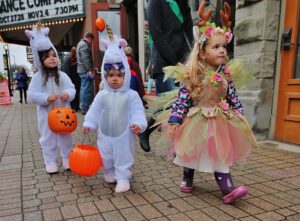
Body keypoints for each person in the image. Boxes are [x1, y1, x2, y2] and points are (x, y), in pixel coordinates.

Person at [157, 2, 257, 204]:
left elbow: (232, 95)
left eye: (224, 46)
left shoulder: (226, 73)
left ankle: (227, 189)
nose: (222, 51)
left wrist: (239, 112)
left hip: (220, 120)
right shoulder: (195, 74)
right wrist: (176, 119)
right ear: (202, 52)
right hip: (197, 119)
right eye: (216, 47)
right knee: (192, 149)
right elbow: (183, 99)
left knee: (219, 154)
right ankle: (187, 176)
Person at [83, 32, 147, 193]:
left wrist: (138, 124)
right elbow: (95, 109)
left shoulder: (131, 95)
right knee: (105, 155)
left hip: (124, 135)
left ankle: (123, 177)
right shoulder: (102, 94)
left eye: (119, 75)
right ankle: (109, 172)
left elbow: (138, 112)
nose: (115, 79)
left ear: (125, 75)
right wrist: (89, 123)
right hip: (104, 134)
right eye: (111, 75)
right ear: (105, 76)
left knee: (123, 156)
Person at [140, 0, 193, 152]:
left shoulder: (183, 3)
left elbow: (188, 32)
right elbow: (156, 34)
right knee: (169, 105)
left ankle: (178, 146)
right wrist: (173, 60)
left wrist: (189, 58)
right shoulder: (155, 3)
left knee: (183, 104)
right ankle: (148, 132)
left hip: (183, 62)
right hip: (164, 62)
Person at [25, 24, 76, 174]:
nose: (52, 59)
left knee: (66, 137)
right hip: (46, 115)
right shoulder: (37, 78)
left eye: (54, 55)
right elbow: (31, 95)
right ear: (39, 59)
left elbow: (71, 88)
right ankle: (50, 161)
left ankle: (67, 159)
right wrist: (46, 98)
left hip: (64, 113)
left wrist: (68, 94)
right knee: (48, 138)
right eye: (47, 57)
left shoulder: (63, 76)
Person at [77, 32, 95, 115]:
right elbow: (86, 59)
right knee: (86, 89)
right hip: (85, 70)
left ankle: (83, 106)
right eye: (92, 40)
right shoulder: (84, 45)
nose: (92, 42)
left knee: (83, 89)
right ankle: (85, 107)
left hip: (82, 70)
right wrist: (89, 70)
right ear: (89, 38)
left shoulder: (80, 44)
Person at [63, 47, 81, 112]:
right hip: (71, 79)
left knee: (77, 92)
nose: (77, 55)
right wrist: (68, 80)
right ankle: (73, 107)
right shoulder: (68, 60)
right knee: (73, 92)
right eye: (76, 53)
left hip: (77, 79)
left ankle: (77, 106)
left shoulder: (77, 60)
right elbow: (66, 71)